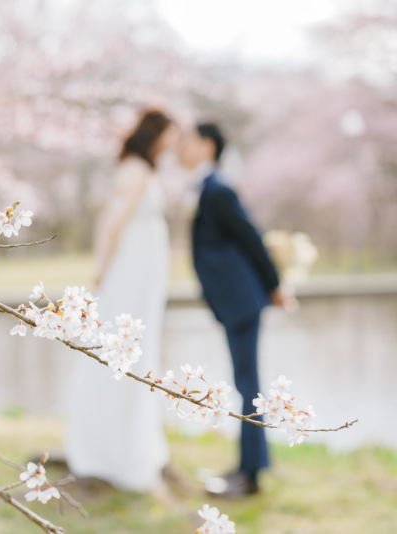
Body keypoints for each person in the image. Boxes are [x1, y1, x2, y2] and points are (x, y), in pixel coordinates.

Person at [178, 122, 296, 498]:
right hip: (233, 301)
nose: (182, 148)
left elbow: (249, 235)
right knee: (245, 383)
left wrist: (275, 284)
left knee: (248, 385)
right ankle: (248, 466)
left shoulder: (217, 188)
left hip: (241, 300)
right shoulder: (205, 187)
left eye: (189, 141)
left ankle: (251, 477)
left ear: (208, 146)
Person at [64, 109, 179, 492]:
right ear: (156, 134)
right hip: (132, 268)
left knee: (139, 348)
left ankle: (135, 443)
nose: (174, 143)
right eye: (171, 135)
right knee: (123, 344)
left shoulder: (143, 168)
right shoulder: (135, 169)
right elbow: (113, 221)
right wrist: (102, 268)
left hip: (144, 269)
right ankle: (111, 449)